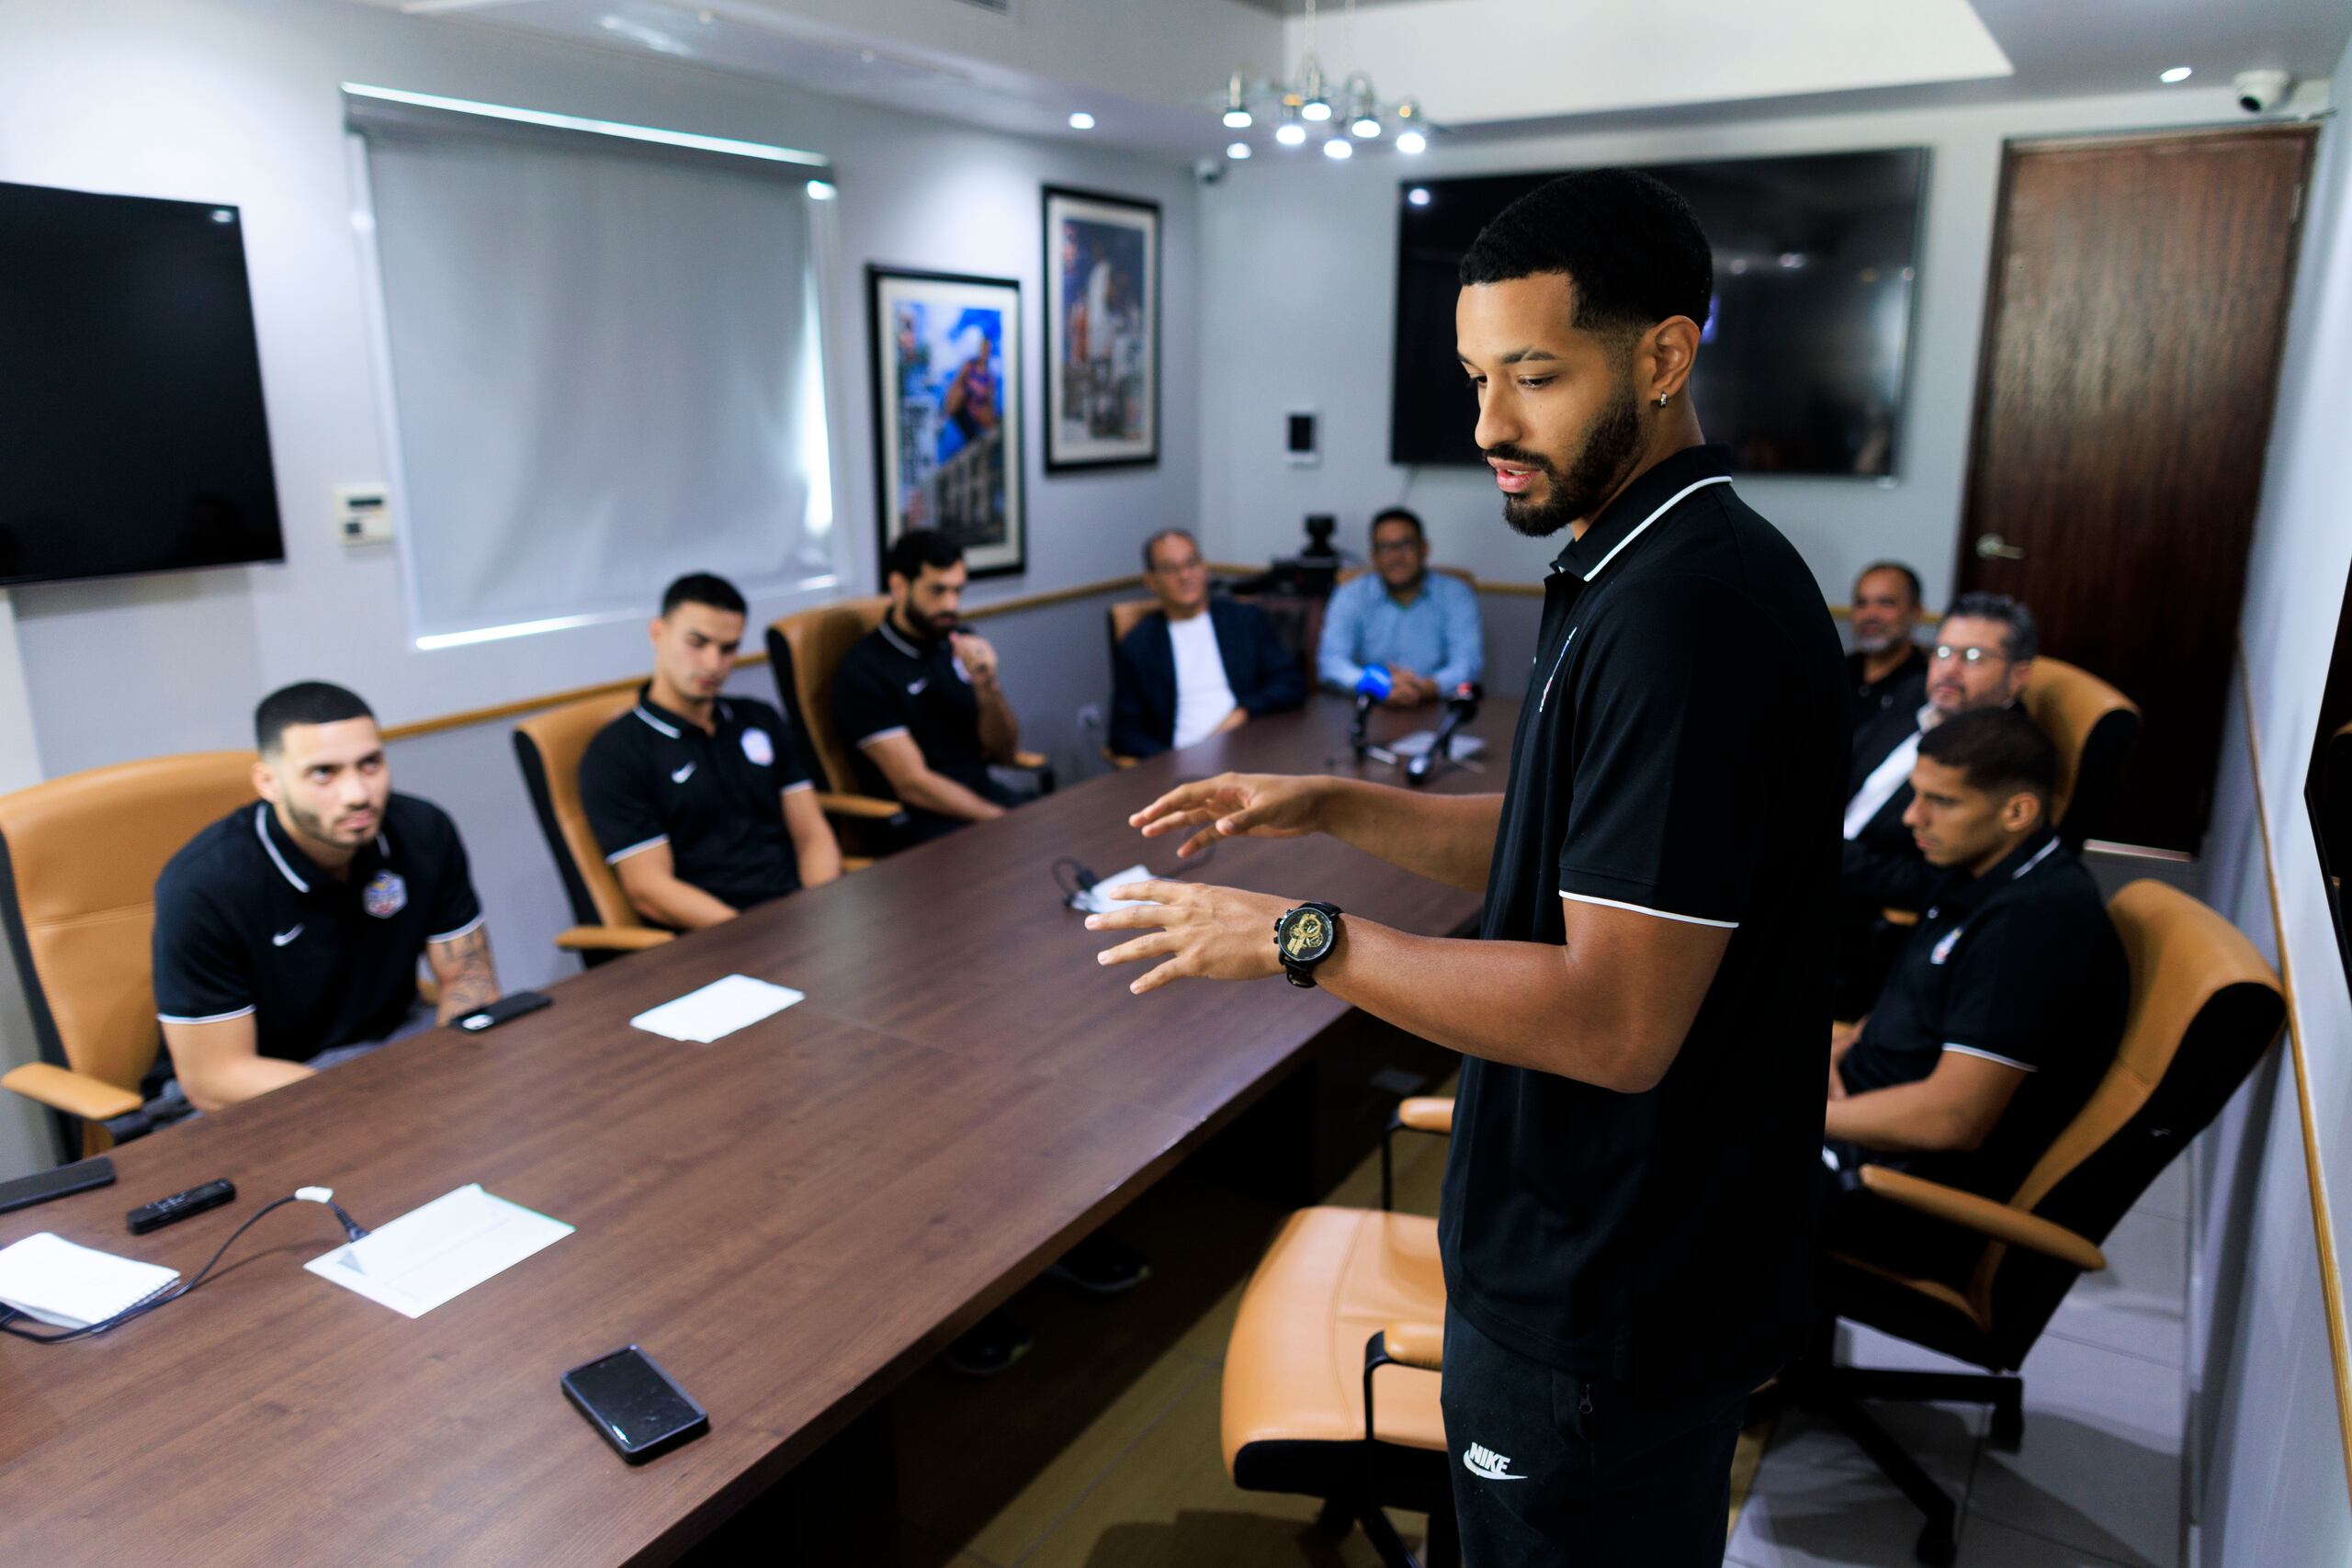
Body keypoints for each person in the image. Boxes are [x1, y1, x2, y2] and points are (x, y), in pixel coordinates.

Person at [1092, 169, 1846, 1566]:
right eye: (1473, 375)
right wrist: (1334, 802)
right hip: (1583, 1254)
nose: (1487, 424)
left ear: (1665, 356)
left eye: (1534, 375)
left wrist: (1302, 938)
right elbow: (1577, 846)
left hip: (1610, 1284)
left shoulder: (1688, 615)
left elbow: (1618, 1022)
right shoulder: (1629, 560)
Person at [1825, 708, 2129, 1284]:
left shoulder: (2034, 923)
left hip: (1893, 1190)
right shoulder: (1973, 867)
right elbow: (1904, 1004)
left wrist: (1812, 1116)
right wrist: (1835, 1054)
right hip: (1856, 1120)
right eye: (1915, 795)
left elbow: (1952, 1119)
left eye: (1940, 801)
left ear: (2018, 811)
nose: (1913, 818)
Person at [152, 682, 499, 1111]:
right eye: (324, 773)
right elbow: (215, 1077)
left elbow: (469, 976)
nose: (357, 795)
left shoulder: (422, 830)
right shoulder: (204, 885)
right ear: (268, 782)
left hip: (394, 1049)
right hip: (263, 1087)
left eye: (370, 764)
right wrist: (375, 1100)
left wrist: (453, 1071)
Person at [579, 572, 842, 930]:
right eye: (697, 643)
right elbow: (649, 889)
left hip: (796, 916)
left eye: (728, 648)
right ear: (658, 633)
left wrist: (820, 910)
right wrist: (749, 932)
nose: (712, 664)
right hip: (713, 937)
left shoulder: (759, 718)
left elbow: (811, 832)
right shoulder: (617, 752)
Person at [1838, 592, 2041, 1016]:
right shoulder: (1917, 696)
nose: (1948, 669)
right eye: (1944, 651)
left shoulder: (2007, 760)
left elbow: (1938, 883)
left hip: (1856, 932)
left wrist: (1824, 853)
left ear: (2018, 676)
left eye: (1973, 657)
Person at [833, 529, 1037, 846]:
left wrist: (987, 688)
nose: (951, 606)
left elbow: (1004, 752)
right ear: (900, 586)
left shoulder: (957, 642)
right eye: (938, 591)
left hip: (983, 797)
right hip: (921, 822)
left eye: (958, 591)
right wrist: (996, 818)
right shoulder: (864, 669)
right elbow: (913, 782)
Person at [1109, 529, 1306, 759]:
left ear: (1204, 567)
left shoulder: (1245, 620)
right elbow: (1123, 733)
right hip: (1180, 765)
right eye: (1171, 569)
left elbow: (1290, 683)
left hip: (1248, 747)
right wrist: (1172, 760)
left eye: (1191, 563)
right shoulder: (1139, 644)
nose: (1185, 576)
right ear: (1151, 581)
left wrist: (1244, 711)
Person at [1315, 507, 1485, 706]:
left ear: (1424, 548)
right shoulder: (1351, 595)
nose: (1396, 557)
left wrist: (1426, 686)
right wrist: (1380, 686)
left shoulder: (1456, 594)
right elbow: (1331, 662)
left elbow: (1467, 663)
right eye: (1386, 548)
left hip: (1437, 706)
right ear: (1374, 556)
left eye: (1405, 545)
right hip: (1367, 706)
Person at [1848, 560, 1928, 728]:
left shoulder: (1927, 681)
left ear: (1916, 612)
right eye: (1861, 603)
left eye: (1886, 603)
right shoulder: (1836, 671)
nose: (1870, 614)